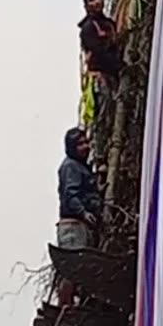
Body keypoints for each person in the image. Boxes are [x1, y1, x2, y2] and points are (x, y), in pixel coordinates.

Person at [57, 127, 101, 304]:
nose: (86, 147)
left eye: (86, 142)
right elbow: (70, 195)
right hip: (73, 226)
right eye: (80, 144)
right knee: (72, 266)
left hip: (81, 226)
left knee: (81, 268)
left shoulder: (81, 167)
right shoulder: (70, 166)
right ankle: (65, 306)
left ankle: (75, 303)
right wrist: (83, 212)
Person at [78, 0, 120, 78]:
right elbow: (99, 53)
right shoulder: (88, 27)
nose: (96, 2)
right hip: (100, 75)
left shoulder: (110, 24)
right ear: (86, 6)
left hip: (114, 73)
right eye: (92, 0)